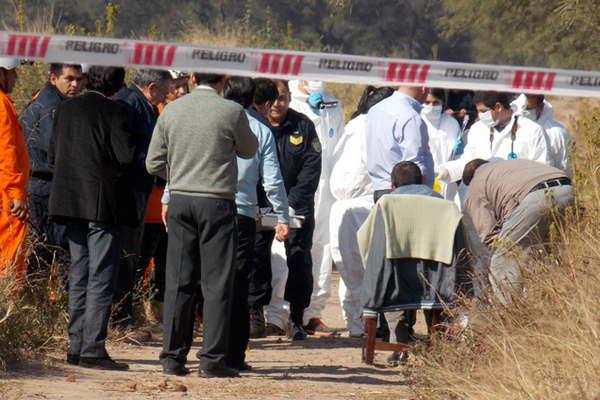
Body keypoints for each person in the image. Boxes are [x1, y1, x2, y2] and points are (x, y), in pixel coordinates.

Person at [146, 73, 258, 378]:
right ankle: (212, 360)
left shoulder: (172, 110)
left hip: (181, 200)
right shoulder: (231, 111)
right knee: (217, 283)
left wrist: (178, 172)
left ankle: (172, 357)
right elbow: (249, 150)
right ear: (223, 79)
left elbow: (153, 161)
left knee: (179, 281)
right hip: (217, 202)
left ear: (193, 77)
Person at [48, 66, 133, 370]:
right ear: (118, 85)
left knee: (79, 273)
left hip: (69, 202)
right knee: (101, 275)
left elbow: (52, 155)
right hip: (101, 205)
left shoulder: (64, 109)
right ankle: (93, 348)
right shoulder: (115, 112)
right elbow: (125, 156)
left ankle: (75, 345)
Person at [221, 76, 289, 370]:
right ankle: (234, 355)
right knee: (238, 284)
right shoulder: (261, 129)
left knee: (210, 281)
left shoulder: (215, 120)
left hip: (208, 208)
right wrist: (283, 216)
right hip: (243, 213)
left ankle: (207, 351)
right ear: (260, 104)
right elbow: (273, 181)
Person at [258, 79, 322, 340]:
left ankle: (296, 317)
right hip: (260, 204)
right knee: (255, 257)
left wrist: (288, 204)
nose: (277, 103)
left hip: (296, 206)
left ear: (290, 97)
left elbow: (311, 168)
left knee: (299, 259)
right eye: (272, 98)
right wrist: (268, 203)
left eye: (282, 96)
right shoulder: (254, 124)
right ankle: (254, 313)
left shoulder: (302, 125)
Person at [328, 86, 393, 337]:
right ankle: (362, 323)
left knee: (353, 269)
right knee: (357, 268)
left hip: (359, 202)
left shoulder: (357, 126)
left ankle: (361, 324)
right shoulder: (364, 127)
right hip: (357, 203)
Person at [462, 158, 574, 303]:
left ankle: (510, 318)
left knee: (502, 260)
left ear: (468, 180)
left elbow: (490, 236)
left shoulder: (475, 185)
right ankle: (566, 302)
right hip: (568, 189)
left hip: (535, 198)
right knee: (554, 256)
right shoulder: (511, 165)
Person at [113, 68, 171, 339]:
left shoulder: (143, 105)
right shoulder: (130, 105)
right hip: (129, 194)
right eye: (165, 91)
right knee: (126, 261)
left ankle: (127, 315)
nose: (167, 96)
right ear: (151, 87)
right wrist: (157, 167)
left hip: (140, 193)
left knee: (134, 260)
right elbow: (131, 151)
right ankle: (121, 320)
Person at [288, 79, 344, 333]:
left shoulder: (333, 103)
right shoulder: (286, 100)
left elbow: (338, 144)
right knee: (288, 247)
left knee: (322, 246)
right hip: (298, 186)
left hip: (327, 185)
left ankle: (313, 312)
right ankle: (279, 313)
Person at [20, 63, 84, 269]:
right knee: (50, 250)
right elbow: (55, 150)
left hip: (39, 184)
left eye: (79, 79)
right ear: (53, 78)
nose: (76, 84)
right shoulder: (53, 106)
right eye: (70, 79)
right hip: (44, 187)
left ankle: (40, 296)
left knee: (44, 249)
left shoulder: (50, 100)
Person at [140, 70, 190, 328]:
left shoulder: (188, 112)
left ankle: (161, 310)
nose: (181, 91)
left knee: (169, 258)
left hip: (177, 196)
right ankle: (145, 309)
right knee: (147, 256)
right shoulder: (158, 111)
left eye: (185, 86)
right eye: (176, 86)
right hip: (154, 198)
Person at [436, 91, 551, 185]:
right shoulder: (477, 129)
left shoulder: (531, 130)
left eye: (483, 111)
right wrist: (448, 170)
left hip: (516, 195)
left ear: (498, 107)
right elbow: (468, 161)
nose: (480, 116)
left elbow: (541, 168)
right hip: (482, 194)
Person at [365, 85, 435, 202]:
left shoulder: (375, 110)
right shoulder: (410, 116)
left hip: (380, 190)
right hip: (405, 195)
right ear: (424, 88)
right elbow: (416, 166)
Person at [0, 57, 29, 280]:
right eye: (13, 73)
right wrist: (16, 192)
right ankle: (7, 307)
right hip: (6, 194)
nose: (16, 78)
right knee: (8, 253)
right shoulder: (1, 104)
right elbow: (7, 152)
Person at [420, 88, 462, 202]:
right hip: (424, 179)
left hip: (447, 177)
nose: (431, 107)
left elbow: (458, 153)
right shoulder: (418, 121)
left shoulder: (451, 123)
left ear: (442, 103)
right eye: (427, 103)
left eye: (436, 103)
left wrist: (450, 170)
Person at [512, 94, 571, 174]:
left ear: (541, 107)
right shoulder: (509, 126)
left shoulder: (557, 133)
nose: (520, 113)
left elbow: (565, 168)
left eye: (527, 109)